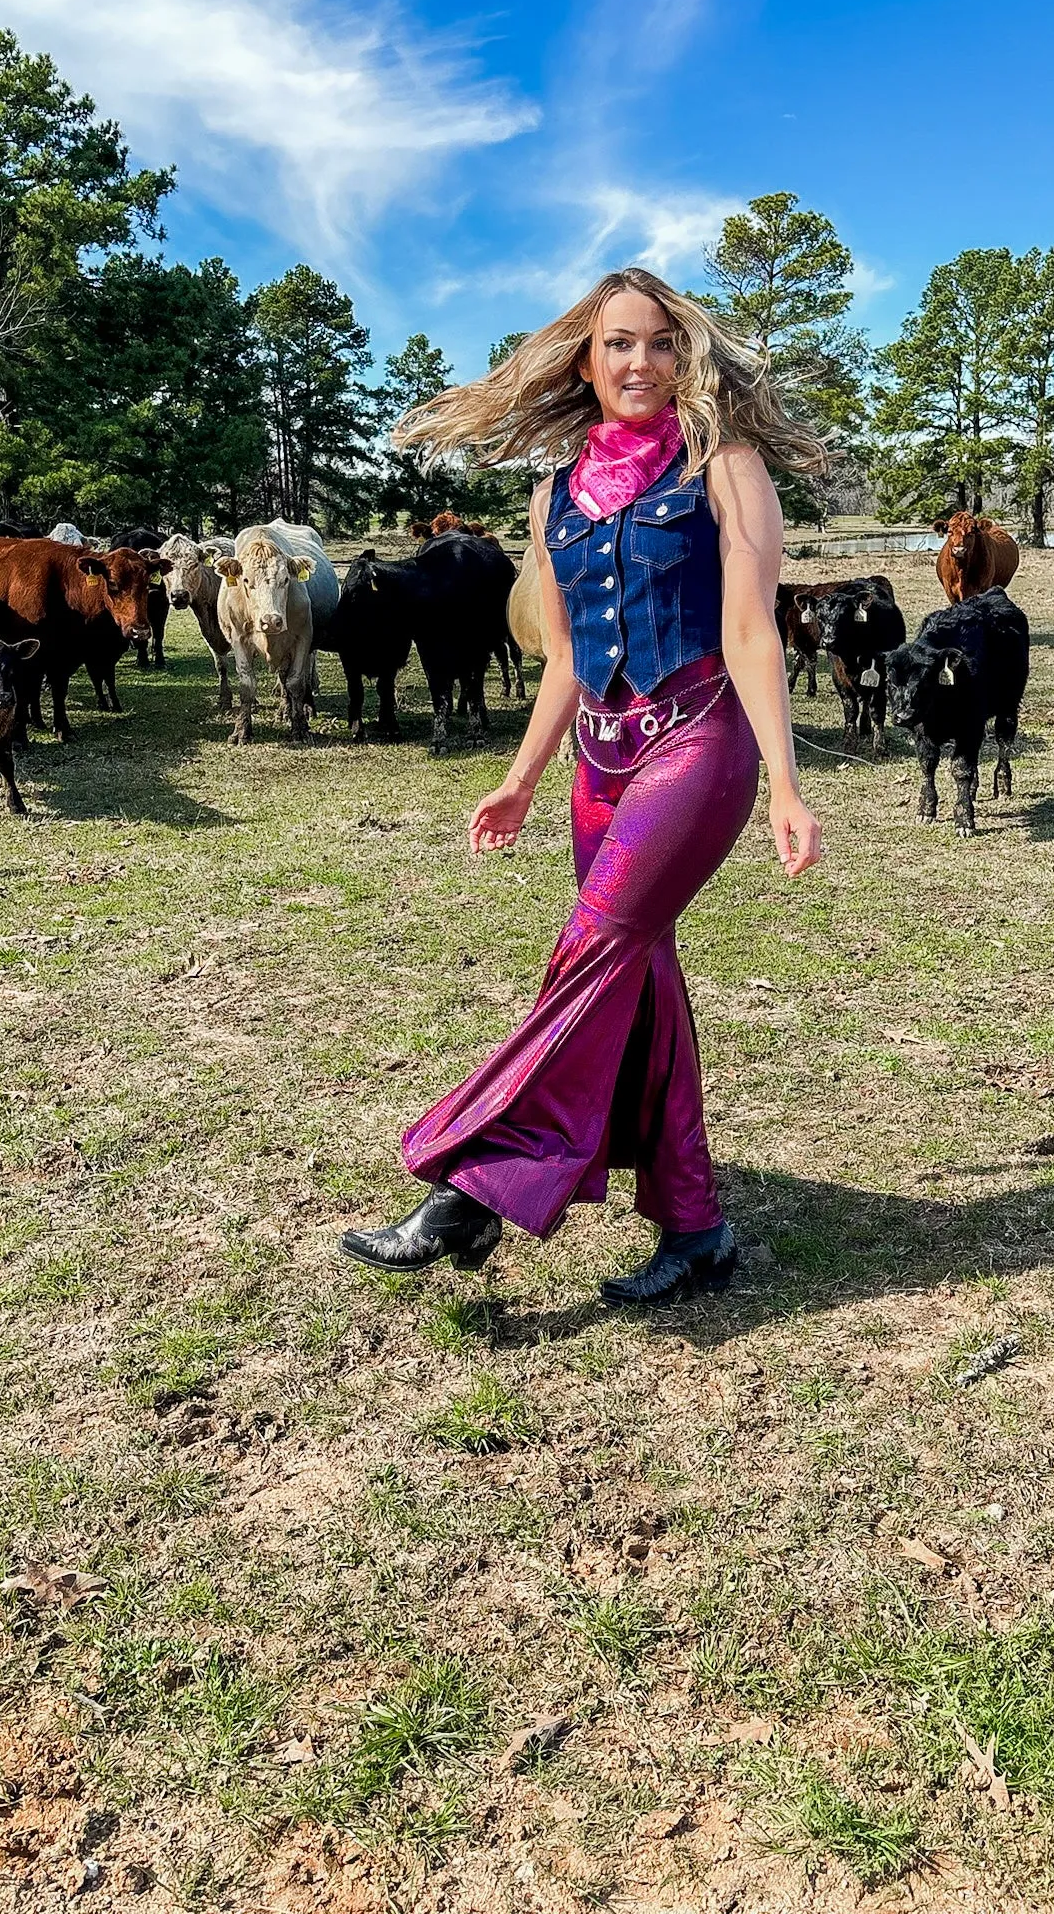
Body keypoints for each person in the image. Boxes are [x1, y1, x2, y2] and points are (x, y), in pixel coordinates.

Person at [341, 266, 826, 1306]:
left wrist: (786, 783)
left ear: (682, 354)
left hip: (697, 745)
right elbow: (562, 655)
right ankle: (696, 1226)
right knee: (639, 983)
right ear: (587, 358)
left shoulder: (725, 468)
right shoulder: (554, 493)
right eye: (617, 343)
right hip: (596, 765)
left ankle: (471, 1186)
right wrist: (518, 779)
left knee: (588, 952)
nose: (639, 361)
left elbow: (749, 631)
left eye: (658, 341)